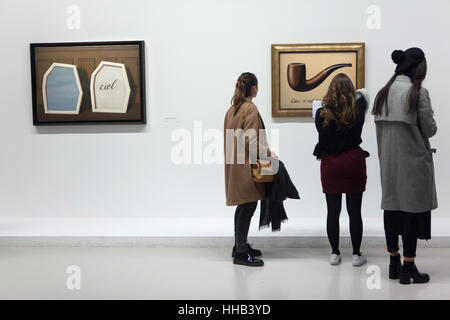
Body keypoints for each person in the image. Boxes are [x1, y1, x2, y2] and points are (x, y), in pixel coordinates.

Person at [372, 47, 437, 285]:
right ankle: (408, 268)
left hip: (389, 163)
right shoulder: (418, 93)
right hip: (413, 164)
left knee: (392, 210)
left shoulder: (383, 93)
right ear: (419, 68)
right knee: (411, 213)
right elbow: (430, 129)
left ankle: (394, 263)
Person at [313, 73, 370, 267]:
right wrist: (359, 95)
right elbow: (363, 98)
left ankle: (335, 254)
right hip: (353, 162)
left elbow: (322, 136)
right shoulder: (358, 111)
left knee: (332, 212)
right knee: (355, 212)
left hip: (331, 165)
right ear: (350, 91)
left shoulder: (321, 114)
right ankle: (356, 254)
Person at [224, 72, 277, 267]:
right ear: (253, 88)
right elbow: (251, 140)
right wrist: (268, 154)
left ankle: (240, 244)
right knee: (248, 207)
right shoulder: (250, 109)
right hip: (247, 166)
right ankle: (240, 253)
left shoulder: (232, 109)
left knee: (243, 206)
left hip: (234, 165)